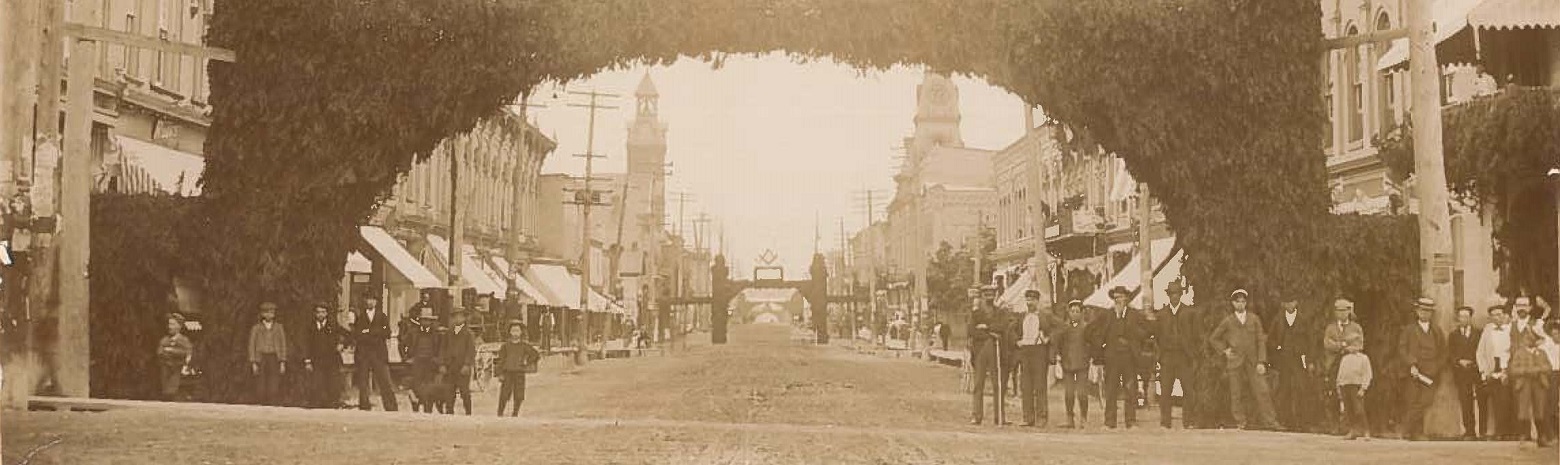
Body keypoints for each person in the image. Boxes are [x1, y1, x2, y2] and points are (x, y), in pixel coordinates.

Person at [1208, 289, 1279, 430]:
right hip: (1235, 361)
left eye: (1243, 301)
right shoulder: (1228, 321)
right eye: (1237, 302)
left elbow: (1260, 340)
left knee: (1262, 390)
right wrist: (1224, 350)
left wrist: (1261, 361)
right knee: (1236, 393)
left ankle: (1271, 422)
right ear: (1233, 303)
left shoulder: (1254, 319)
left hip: (1253, 361)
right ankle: (1240, 422)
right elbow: (1213, 338)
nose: (1240, 304)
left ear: (1246, 303)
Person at [1087, 285, 1147, 429]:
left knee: (1130, 389)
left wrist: (1134, 339)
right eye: (1115, 298)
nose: (1118, 300)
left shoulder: (1135, 315)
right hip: (1112, 357)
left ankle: (1131, 421)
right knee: (1111, 389)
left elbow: (1146, 332)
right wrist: (1100, 346)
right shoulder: (1107, 315)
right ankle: (1109, 422)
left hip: (1129, 357)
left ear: (1126, 298)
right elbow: (1090, 331)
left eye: (1120, 297)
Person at [1397, 297, 1447, 441]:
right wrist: (1411, 364)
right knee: (1413, 400)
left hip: (1431, 373)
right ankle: (1416, 433)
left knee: (1426, 401)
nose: (1425, 314)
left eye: (1428, 311)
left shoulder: (1436, 331)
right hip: (1414, 372)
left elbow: (1444, 352)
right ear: (1417, 311)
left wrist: (1437, 367)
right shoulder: (1409, 330)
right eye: (1422, 311)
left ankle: (1406, 428)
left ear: (1432, 314)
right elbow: (1402, 349)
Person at [1152, 280, 1199, 429]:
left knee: (1188, 390)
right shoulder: (1161, 314)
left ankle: (1188, 421)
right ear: (1168, 295)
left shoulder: (1190, 312)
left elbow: (1196, 335)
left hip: (1184, 356)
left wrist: (1193, 353)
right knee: (1165, 391)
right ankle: (1165, 423)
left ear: (1181, 295)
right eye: (1172, 294)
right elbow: (1156, 337)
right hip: (1167, 357)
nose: (1174, 297)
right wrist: (1159, 355)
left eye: (1177, 294)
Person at [1266, 293, 1317, 432]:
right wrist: (1277, 348)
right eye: (1286, 302)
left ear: (1296, 303)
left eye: (1292, 302)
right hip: (1284, 359)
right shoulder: (1278, 320)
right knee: (1284, 390)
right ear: (1283, 304)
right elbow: (1270, 340)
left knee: (1303, 389)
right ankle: (1286, 422)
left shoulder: (1303, 319)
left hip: (1300, 359)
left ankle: (1305, 423)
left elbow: (1311, 341)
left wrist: (1310, 360)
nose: (1289, 305)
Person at [1011, 289, 1058, 428]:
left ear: (1038, 301)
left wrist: (1049, 338)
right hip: (1025, 351)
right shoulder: (1021, 316)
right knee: (1026, 386)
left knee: (1040, 386)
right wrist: (1016, 341)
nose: (1030, 302)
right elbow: (1011, 330)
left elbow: (1062, 327)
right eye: (1028, 300)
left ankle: (1042, 417)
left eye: (1032, 300)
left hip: (1039, 352)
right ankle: (1028, 418)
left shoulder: (1045, 316)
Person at [1324, 299, 1368, 438]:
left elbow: (1359, 345)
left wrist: (1343, 346)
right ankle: (1334, 425)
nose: (1341, 314)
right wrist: (1344, 344)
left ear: (1349, 311)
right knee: (1333, 394)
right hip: (1334, 364)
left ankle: (1351, 426)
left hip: (1350, 364)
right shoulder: (1331, 328)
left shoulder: (1356, 328)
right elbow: (1327, 344)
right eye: (1338, 311)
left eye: (1344, 311)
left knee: (1350, 396)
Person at [968, 285, 1007, 425]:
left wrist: (987, 327)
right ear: (982, 296)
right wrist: (991, 332)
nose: (989, 296)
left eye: (992, 293)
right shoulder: (976, 313)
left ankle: (999, 416)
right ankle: (976, 415)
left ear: (995, 295)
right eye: (986, 294)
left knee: (998, 384)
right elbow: (972, 331)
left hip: (996, 349)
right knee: (978, 384)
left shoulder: (1000, 312)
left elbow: (1002, 327)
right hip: (980, 350)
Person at [351, 294, 398, 411]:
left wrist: (370, 332)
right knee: (363, 381)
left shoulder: (382, 316)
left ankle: (391, 407)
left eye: (372, 299)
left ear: (376, 302)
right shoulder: (361, 316)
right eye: (368, 299)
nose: (370, 302)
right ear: (365, 300)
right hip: (364, 353)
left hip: (379, 353)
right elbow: (357, 334)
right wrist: (373, 332)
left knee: (385, 380)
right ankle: (364, 405)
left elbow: (387, 332)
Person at [1476, 304, 1515, 440]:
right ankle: (1499, 432)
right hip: (1492, 369)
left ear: (1504, 315)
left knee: (1507, 400)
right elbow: (1480, 352)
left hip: (1508, 368)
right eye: (1493, 315)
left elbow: (1513, 350)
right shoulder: (1487, 330)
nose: (1497, 317)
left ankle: (1508, 432)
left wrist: (1507, 370)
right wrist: (1483, 372)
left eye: (1499, 314)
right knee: (1497, 401)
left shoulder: (1510, 329)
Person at [1509, 325, 1552, 447]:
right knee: (1523, 410)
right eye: (1527, 338)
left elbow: (1549, 367)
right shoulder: (1519, 353)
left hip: (1539, 383)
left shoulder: (1542, 353)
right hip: (1524, 384)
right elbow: (1513, 370)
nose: (1529, 340)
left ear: (1536, 340)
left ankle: (1541, 437)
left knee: (1540, 410)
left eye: (1532, 338)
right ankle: (1523, 438)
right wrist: (1526, 370)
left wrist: (1538, 369)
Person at [1053, 299, 1092, 429]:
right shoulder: (1064, 328)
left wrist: (1091, 357)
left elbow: (1092, 344)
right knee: (1069, 393)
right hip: (1067, 364)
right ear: (1068, 313)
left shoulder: (1086, 328)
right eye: (1072, 311)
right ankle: (1070, 418)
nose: (1074, 314)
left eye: (1077, 311)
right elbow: (1057, 343)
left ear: (1081, 313)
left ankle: (1084, 418)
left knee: (1082, 393)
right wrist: (1058, 357)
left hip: (1082, 364)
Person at [1447, 306, 1484, 439]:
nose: (1463, 319)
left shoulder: (1479, 333)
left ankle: (1482, 431)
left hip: (1477, 371)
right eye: (1461, 316)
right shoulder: (1453, 335)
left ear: (1470, 318)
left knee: (1481, 400)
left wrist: (1474, 362)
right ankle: (1469, 431)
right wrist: (1458, 361)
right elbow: (1450, 354)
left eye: (1466, 316)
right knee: (1465, 401)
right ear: (1458, 318)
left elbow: (1484, 350)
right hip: (1461, 373)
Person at [301, 303, 345, 409]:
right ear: (315, 313)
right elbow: (306, 344)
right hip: (317, 360)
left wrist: (342, 344)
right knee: (317, 383)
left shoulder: (333, 325)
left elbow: (348, 335)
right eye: (318, 312)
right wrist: (307, 360)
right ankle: (317, 405)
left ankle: (333, 404)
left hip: (332, 360)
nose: (320, 314)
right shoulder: (310, 326)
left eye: (323, 312)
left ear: (327, 313)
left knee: (332, 383)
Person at [402, 307, 445, 414]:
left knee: (429, 389)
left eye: (428, 320)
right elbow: (403, 345)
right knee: (416, 387)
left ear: (431, 322)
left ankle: (428, 410)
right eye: (424, 320)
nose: (426, 322)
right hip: (417, 364)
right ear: (420, 321)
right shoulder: (413, 333)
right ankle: (416, 408)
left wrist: (438, 360)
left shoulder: (437, 334)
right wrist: (406, 357)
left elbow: (441, 349)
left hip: (431, 364)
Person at [495, 320, 541, 416]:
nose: (515, 333)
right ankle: (500, 413)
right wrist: (500, 373)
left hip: (519, 372)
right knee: (504, 394)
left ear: (521, 332)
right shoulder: (505, 346)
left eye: (517, 331)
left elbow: (535, 355)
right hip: (507, 372)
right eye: (513, 331)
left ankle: (515, 413)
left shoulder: (524, 346)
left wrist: (527, 363)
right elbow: (501, 360)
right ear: (510, 332)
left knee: (519, 394)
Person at [248, 302, 288, 406]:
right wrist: (253, 362)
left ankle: (272, 401)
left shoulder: (279, 327)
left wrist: (282, 361)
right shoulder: (256, 328)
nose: (269, 315)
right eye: (267, 312)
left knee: (274, 379)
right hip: (260, 357)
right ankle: (261, 401)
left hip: (274, 356)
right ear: (262, 314)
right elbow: (251, 345)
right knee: (260, 379)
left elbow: (283, 344)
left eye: (272, 312)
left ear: (274, 314)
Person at [442, 308, 479, 415]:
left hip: (462, 366)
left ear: (464, 318)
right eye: (455, 317)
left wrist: (467, 365)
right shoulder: (448, 333)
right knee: (449, 391)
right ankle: (449, 412)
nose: (458, 319)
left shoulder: (469, 334)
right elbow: (443, 349)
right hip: (450, 366)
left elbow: (471, 350)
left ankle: (468, 412)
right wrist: (442, 364)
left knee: (464, 391)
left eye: (460, 316)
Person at [1336, 339, 1373, 440]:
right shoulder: (1345, 358)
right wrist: (1339, 386)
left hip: (1356, 386)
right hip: (1345, 385)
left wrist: (1363, 388)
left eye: (1355, 345)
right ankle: (1353, 431)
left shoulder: (1363, 358)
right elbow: (1341, 373)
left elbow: (1367, 374)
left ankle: (1366, 431)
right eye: (1351, 345)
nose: (1353, 347)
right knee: (1349, 410)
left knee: (1359, 410)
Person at [156, 313, 193, 401]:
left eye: (172, 324)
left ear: (179, 326)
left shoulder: (184, 340)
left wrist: (171, 351)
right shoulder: (165, 340)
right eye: (169, 324)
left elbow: (187, 353)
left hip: (178, 371)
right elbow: (160, 352)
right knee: (165, 393)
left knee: (173, 393)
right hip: (165, 371)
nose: (170, 327)